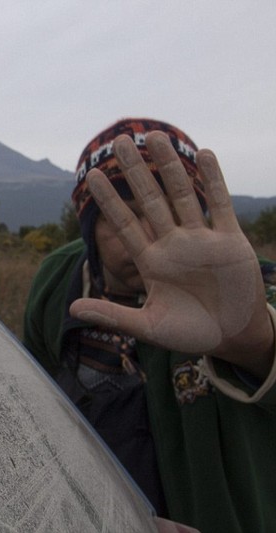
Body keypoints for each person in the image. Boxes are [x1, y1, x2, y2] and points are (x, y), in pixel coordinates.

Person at [23, 118, 276, 533]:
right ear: (89, 228)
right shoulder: (58, 281)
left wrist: (254, 344)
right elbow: (33, 406)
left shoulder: (243, 288)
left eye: (165, 215)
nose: (146, 236)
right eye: (119, 216)